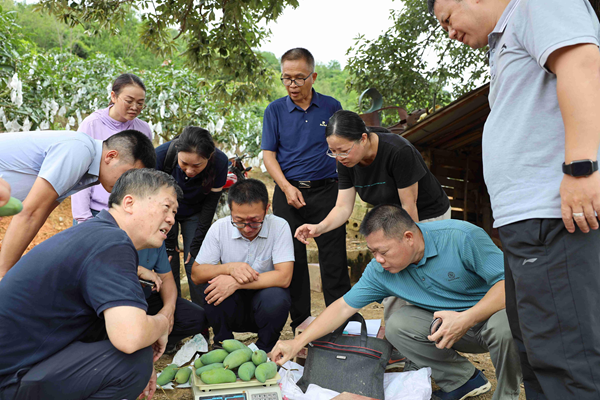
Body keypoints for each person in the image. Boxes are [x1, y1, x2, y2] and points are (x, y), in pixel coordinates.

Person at [428, 0, 600, 398]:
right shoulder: (506, 37)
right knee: (537, 356)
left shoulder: (537, 4)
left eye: (447, 19)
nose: (448, 32)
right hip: (526, 224)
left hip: (554, 217)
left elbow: (581, 65)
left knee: (568, 358)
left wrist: (580, 169)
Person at [272, 204, 522, 400]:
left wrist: (467, 318)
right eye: (373, 252)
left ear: (409, 237)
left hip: (489, 318)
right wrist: (297, 343)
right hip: (448, 330)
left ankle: (507, 395)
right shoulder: (380, 271)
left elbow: (508, 286)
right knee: (398, 324)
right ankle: (464, 380)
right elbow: (342, 307)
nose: (378, 259)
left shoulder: (462, 237)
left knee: (506, 326)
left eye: (384, 251)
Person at [0, 168, 180, 400]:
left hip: (19, 365)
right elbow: (130, 336)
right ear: (129, 203)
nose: (171, 219)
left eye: (175, 213)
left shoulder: (97, 234)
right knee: (133, 363)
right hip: (10, 377)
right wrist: (162, 324)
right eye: (166, 207)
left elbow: (114, 328)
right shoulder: (112, 242)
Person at [295, 110, 451, 322]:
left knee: (419, 276)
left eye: (343, 150)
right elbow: (342, 207)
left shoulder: (398, 151)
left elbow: (409, 206)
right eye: (333, 152)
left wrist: (403, 248)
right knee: (394, 279)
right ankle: (397, 338)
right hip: (392, 218)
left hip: (426, 216)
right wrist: (318, 228)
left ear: (364, 138)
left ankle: (429, 332)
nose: (339, 157)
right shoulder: (346, 162)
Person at [262, 47, 351, 332]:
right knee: (293, 258)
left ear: (313, 76)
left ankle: (341, 321)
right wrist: (286, 188)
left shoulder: (331, 106)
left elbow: (342, 147)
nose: (292, 85)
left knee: (333, 257)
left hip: (327, 191)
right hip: (288, 193)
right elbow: (268, 155)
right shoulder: (275, 110)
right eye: (286, 78)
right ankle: (300, 320)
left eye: (299, 78)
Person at [0, 129, 155, 279]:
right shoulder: (80, 151)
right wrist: (4, 273)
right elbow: (31, 212)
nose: (126, 184)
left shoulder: (88, 171)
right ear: (111, 156)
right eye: (127, 175)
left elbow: (41, 213)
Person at [191, 179, 294, 352]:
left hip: (264, 304)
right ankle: (223, 343)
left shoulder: (279, 226)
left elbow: (284, 277)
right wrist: (228, 268)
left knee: (277, 296)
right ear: (230, 211)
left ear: (266, 209)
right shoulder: (219, 228)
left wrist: (237, 282)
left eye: (255, 221)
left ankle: (265, 348)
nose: (247, 228)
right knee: (213, 286)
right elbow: (196, 274)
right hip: (233, 306)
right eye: (239, 220)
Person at [155, 126, 228, 305]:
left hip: (196, 211)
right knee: (167, 260)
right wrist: (169, 242)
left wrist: (196, 243)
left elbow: (211, 204)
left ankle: (201, 321)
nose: (189, 170)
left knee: (194, 263)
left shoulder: (220, 162)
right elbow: (153, 199)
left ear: (209, 157)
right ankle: (174, 311)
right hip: (163, 211)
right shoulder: (161, 155)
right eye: (184, 164)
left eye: (197, 165)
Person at [72, 73, 153, 223]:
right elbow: (79, 174)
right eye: (129, 101)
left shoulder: (144, 129)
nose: (135, 107)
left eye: (140, 103)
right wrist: (83, 217)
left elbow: (143, 175)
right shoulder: (92, 124)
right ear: (113, 96)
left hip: (127, 213)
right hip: (94, 211)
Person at [137, 242, 208, 354]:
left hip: (146, 299)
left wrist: (168, 309)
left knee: (197, 318)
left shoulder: (156, 240)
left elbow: (166, 278)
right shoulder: (109, 234)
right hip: (117, 305)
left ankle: (159, 341)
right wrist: (136, 270)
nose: (171, 223)